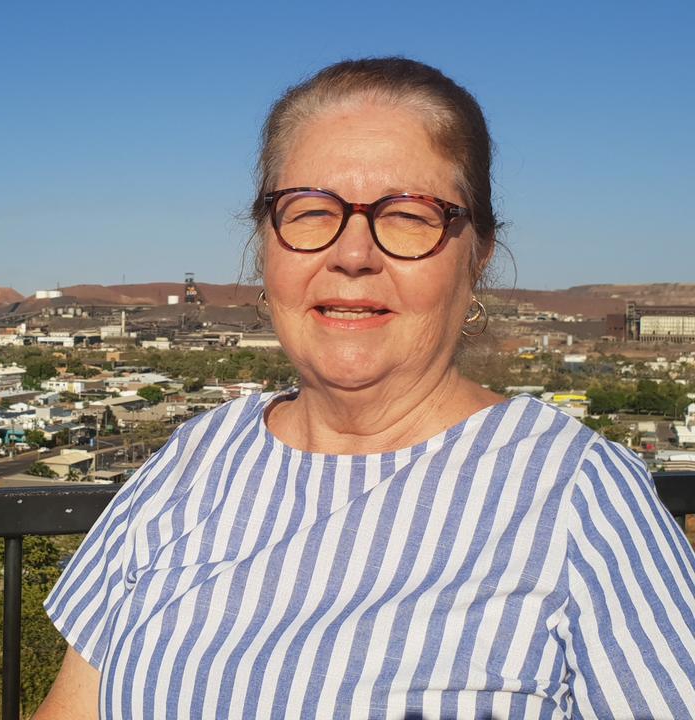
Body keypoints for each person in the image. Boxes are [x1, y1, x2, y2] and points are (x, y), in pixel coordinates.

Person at [35, 57, 695, 719]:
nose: (353, 254)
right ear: (265, 242)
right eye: (310, 210)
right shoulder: (192, 463)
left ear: (479, 252)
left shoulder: (578, 497)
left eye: (410, 215)